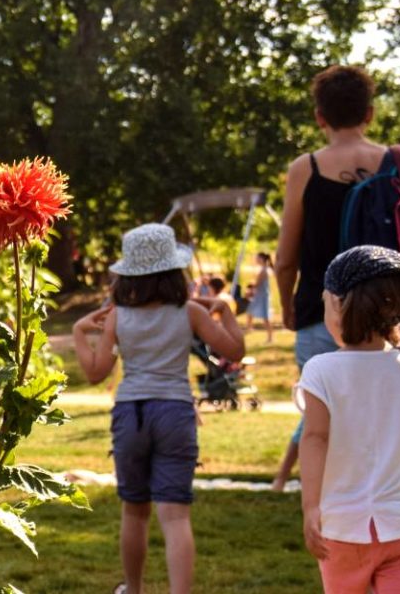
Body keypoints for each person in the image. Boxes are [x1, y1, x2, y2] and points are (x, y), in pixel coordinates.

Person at [272, 65, 400, 490]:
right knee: (396, 425)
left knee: (327, 430)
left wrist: (288, 307)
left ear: (319, 116)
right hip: (393, 316)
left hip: (321, 316)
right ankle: (394, 519)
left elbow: (286, 257)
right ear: (371, 114)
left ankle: (334, 522)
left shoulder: (304, 169)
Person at [71, 224, 244, 594]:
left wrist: (78, 334)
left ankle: (133, 589)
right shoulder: (191, 312)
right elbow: (235, 352)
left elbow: (95, 373)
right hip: (175, 412)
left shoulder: (118, 317)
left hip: (131, 414)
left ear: (129, 274)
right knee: (175, 515)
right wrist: (225, 311)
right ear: (173, 270)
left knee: (134, 510)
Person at [297, 246, 400, 593]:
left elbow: (314, 440)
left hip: (342, 529)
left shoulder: (321, 371)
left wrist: (311, 508)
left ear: (337, 304)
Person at [247, 252, 275, 343]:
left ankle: (270, 337)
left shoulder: (264, 270)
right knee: (250, 311)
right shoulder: (264, 269)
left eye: (258, 258)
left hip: (263, 296)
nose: (256, 260)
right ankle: (249, 329)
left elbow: (257, 284)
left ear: (262, 259)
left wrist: (251, 285)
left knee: (266, 317)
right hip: (260, 295)